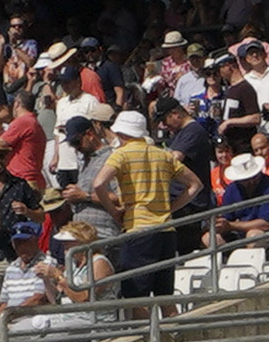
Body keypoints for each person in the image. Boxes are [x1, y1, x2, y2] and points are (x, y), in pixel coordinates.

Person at [81, 106, 200, 300]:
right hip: (167, 231)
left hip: (138, 230)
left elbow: (98, 183)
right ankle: (177, 331)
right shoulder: (162, 154)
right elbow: (195, 185)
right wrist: (171, 208)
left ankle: (143, 332)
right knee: (165, 297)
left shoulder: (121, 154)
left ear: (121, 132)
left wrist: (114, 212)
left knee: (136, 298)